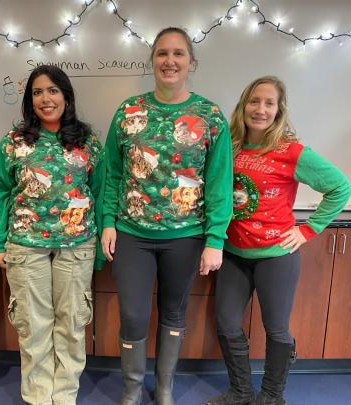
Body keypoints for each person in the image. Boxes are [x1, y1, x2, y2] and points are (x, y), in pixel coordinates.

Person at [101, 27, 233, 405]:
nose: (169, 61)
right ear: (152, 61)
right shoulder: (128, 111)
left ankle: (164, 388)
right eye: (162, 53)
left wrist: (214, 239)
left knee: (174, 313)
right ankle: (131, 389)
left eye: (178, 54)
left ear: (191, 62)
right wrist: (108, 221)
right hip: (132, 234)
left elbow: (219, 181)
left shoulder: (209, 116)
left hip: (186, 236)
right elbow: (112, 172)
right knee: (133, 315)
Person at [206, 76, 351, 405]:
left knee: (276, 328)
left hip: (276, 255)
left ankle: (272, 396)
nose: (260, 109)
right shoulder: (229, 146)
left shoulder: (291, 151)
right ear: (243, 105)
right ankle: (241, 391)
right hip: (232, 253)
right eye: (254, 101)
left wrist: (308, 229)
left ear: (278, 110)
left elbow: (340, 187)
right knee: (227, 324)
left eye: (268, 103)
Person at [0, 65, 105, 405]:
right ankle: (38, 398)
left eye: (53, 91)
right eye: (37, 92)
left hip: (76, 245)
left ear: (66, 97)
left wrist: (96, 251)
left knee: (71, 326)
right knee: (33, 327)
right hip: (26, 246)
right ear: (30, 100)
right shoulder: (15, 142)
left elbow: (99, 190)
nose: (45, 98)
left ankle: (64, 397)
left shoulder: (87, 141)